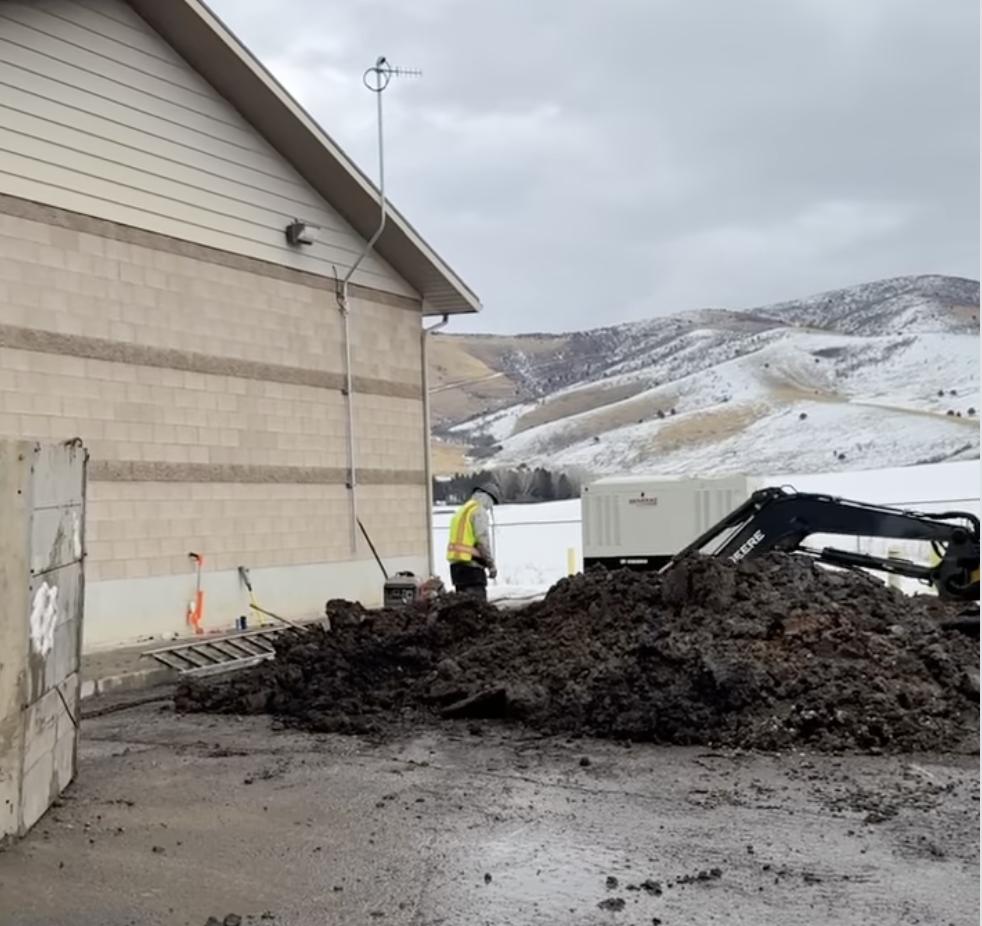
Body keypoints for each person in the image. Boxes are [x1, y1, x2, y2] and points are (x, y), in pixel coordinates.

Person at [446, 484, 499, 601]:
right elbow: (482, 541)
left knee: (463, 609)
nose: (490, 507)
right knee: (477, 609)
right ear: (488, 497)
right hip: (472, 569)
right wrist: (491, 565)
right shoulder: (478, 511)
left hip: (456, 568)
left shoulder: (463, 510)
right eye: (492, 503)